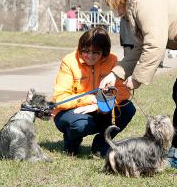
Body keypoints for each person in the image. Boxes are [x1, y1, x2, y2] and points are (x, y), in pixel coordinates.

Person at [100, 0, 177, 166]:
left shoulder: (145, 3)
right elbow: (142, 47)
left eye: (116, 6)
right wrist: (116, 74)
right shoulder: (140, 2)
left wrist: (136, 79)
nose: (117, 13)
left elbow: (154, 45)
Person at [52, 27, 136, 157]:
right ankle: (72, 142)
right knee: (80, 125)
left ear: (104, 51)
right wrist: (90, 100)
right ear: (80, 48)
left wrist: (98, 105)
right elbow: (60, 99)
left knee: (127, 108)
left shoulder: (113, 60)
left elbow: (123, 93)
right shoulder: (69, 61)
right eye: (86, 51)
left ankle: (101, 144)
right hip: (71, 112)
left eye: (96, 52)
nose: (90, 56)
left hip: (101, 109)